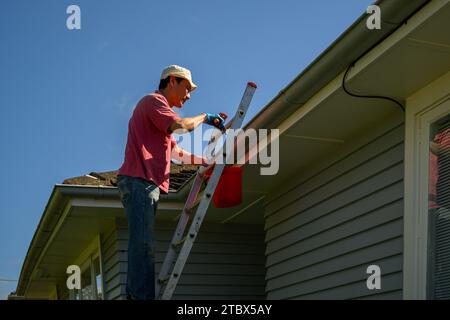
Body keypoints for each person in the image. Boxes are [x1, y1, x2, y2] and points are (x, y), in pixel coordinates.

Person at [116, 65, 226, 300]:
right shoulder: (153, 102)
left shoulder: (159, 116)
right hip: (139, 181)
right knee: (143, 245)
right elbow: (183, 126)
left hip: (144, 184)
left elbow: (177, 154)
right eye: (187, 89)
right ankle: (140, 298)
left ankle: (138, 295)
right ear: (172, 81)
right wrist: (205, 117)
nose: (188, 96)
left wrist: (206, 161)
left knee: (143, 244)